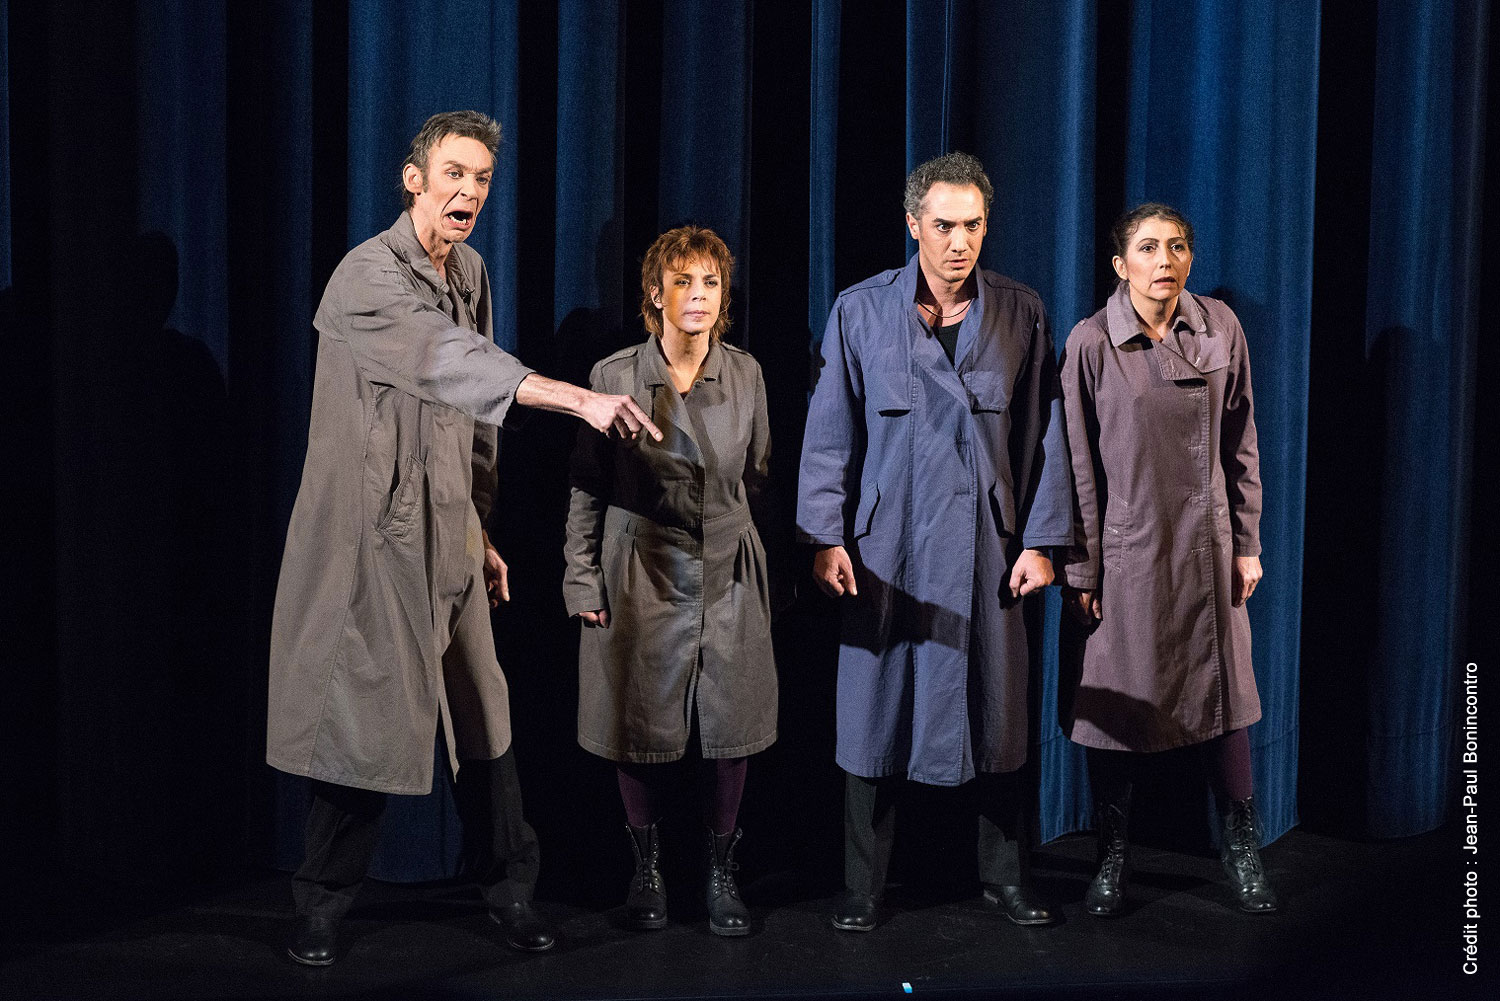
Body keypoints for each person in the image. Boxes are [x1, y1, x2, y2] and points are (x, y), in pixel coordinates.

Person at [266, 110, 662, 967]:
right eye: (454, 173)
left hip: (448, 526)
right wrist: (578, 398)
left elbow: (471, 420)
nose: (470, 191)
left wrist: (480, 524)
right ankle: (322, 902)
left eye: (481, 178)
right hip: (373, 538)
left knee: (485, 713)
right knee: (364, 717)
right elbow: (448, 360)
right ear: (414, 179)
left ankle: (510, 889)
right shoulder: (365, 278)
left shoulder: (469, 270)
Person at [797, 152, 1073, 932]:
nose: (960, 242)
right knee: (872, 714)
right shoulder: (861, 310)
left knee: (998, 712)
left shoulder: (1020, 311)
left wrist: (1041, 540)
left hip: (989, 547)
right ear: (913, 223)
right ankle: (863, 885)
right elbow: (829, 435)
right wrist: (824, 536)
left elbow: (1046, 437)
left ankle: (1005, 876)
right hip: (888, 550)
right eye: (945, 225)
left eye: (973, 225)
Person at [1058, 203, 1277, 916]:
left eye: (1178, 246)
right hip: (1129, 552)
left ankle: (1241, 849)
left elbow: (1241, 441)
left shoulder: (1219, 326)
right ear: (1120, 265)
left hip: (1208, 548)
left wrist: (1247, 542)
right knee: (1114, 704)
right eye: (1149, 247)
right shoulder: (1091, 342)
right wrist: (1083, 568)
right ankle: (1111, 854)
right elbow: (1078, 464)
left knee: (1227, 700)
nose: (1165, 260)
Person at [563, 225, 777, 937]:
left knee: (732, 724)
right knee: (635, 721)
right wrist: (582, 580)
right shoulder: (614, 376)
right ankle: (646, 870)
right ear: (655, 293)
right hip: (640, 569)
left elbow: (759, 476)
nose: (698, 296)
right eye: (682, 281)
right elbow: (587, 487)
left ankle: (721, 871)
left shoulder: (745, 373)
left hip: (727, 568)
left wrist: (758, 563)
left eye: (710, 282)